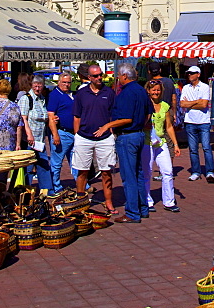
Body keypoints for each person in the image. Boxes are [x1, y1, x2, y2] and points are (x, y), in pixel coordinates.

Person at [100, 62, 152, 224]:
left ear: (124, 76)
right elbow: (149, 113)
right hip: (138, 134)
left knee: (129, 176)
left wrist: (108, 125)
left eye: (119, 75)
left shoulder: (126, 93)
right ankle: (142, 208)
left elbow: (126, 118)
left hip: (127, 136)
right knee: (137, 174)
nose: (117, 78)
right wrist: (141, 124)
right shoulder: (142, 91)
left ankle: (132, 212)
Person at [72, 63, 117, 212]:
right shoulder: (82, 94)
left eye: (100, 75)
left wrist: (110, 130)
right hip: (84, 137)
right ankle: (80, 201)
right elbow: (76, 116)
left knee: (106, 171)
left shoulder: (109, 93)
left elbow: (113, 115)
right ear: (89, 77)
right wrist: (77, 134)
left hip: (104, 138)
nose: (99, 78)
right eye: (96, 76)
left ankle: (108, 201)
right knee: (82, 170)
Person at [143, 79, 181, 213]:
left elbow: (169, 127)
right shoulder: (144, 104)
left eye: (158, 90)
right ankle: (147, 201)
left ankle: (169, 201)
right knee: (147, 172)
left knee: (168, 171)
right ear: (148, 90)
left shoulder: (165, 105)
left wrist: (175, 144)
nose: (156, 92)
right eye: (153, 90)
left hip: (160, 142)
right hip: (147, 142)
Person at [180, 66, 214, 183]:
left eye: (192, 73)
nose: (190, 75)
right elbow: (182, 104)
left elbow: (204, 104)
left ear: (198, 74)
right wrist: (196, 101)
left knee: (206, 147)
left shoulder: (205, 87)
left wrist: (190, 103)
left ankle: (210, 171)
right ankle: (196, 171)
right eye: (188, 73)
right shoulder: (185, 87)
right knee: (193, 149)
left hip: (204, 121)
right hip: (190, 121)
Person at [17, 74, 50, 190]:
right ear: (32, 86)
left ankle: (47, 191)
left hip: (40, 140)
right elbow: (23, 118)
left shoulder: (42, 99)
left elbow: (44, 116)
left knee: (44, 165)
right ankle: (25, 191)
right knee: (28, 167)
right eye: (35, 86)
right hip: (29, 141)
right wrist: (29, 134)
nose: (37, 88)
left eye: (40, 86)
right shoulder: (26, 99)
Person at [47, 72, 76, 192]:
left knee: (76, 161)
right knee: (57, 162)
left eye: (69, 82)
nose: (66, 84)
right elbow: (51, 116)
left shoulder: (72, 94)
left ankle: (82, 185)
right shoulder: (55, 95)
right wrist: (55, 135)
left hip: (73, 133)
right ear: (59, 82)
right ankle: (56, 186)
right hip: (62, 133)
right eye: (64, 82)